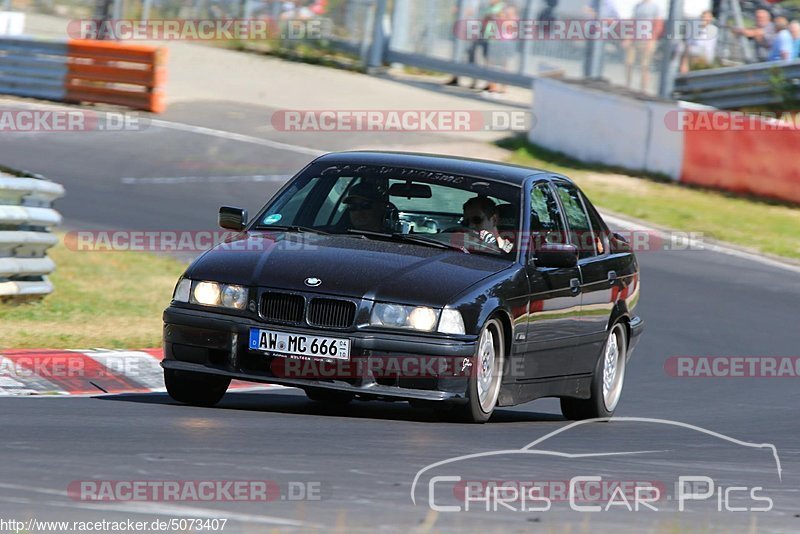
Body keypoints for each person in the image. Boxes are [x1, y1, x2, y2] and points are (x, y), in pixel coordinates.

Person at [623, 0, 662, 91]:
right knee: (629, 62)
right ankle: (627, 86)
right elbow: (632, 22)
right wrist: (627, 38)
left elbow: (658, 24)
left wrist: (652, 40)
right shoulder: (637, 6)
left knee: (645, 65)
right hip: (635, 39)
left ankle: (643, 89)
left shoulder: (655, 7)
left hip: (647, 40)